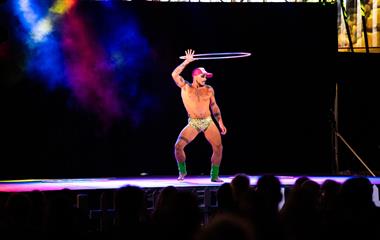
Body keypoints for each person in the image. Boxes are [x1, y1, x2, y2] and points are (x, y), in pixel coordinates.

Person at [171, 49, 227, 182]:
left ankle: (214, 176)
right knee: (178, 146)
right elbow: (174, 74)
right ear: (195, 76)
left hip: (208, 121)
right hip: (194, 123)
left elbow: (214, 106)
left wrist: (220, 123)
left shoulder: (209, 89)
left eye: (206, 76)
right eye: (203, 76)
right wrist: (186, 62)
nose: (205, 78)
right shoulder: (185, 87)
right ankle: (182, 172)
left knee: (219, 147)